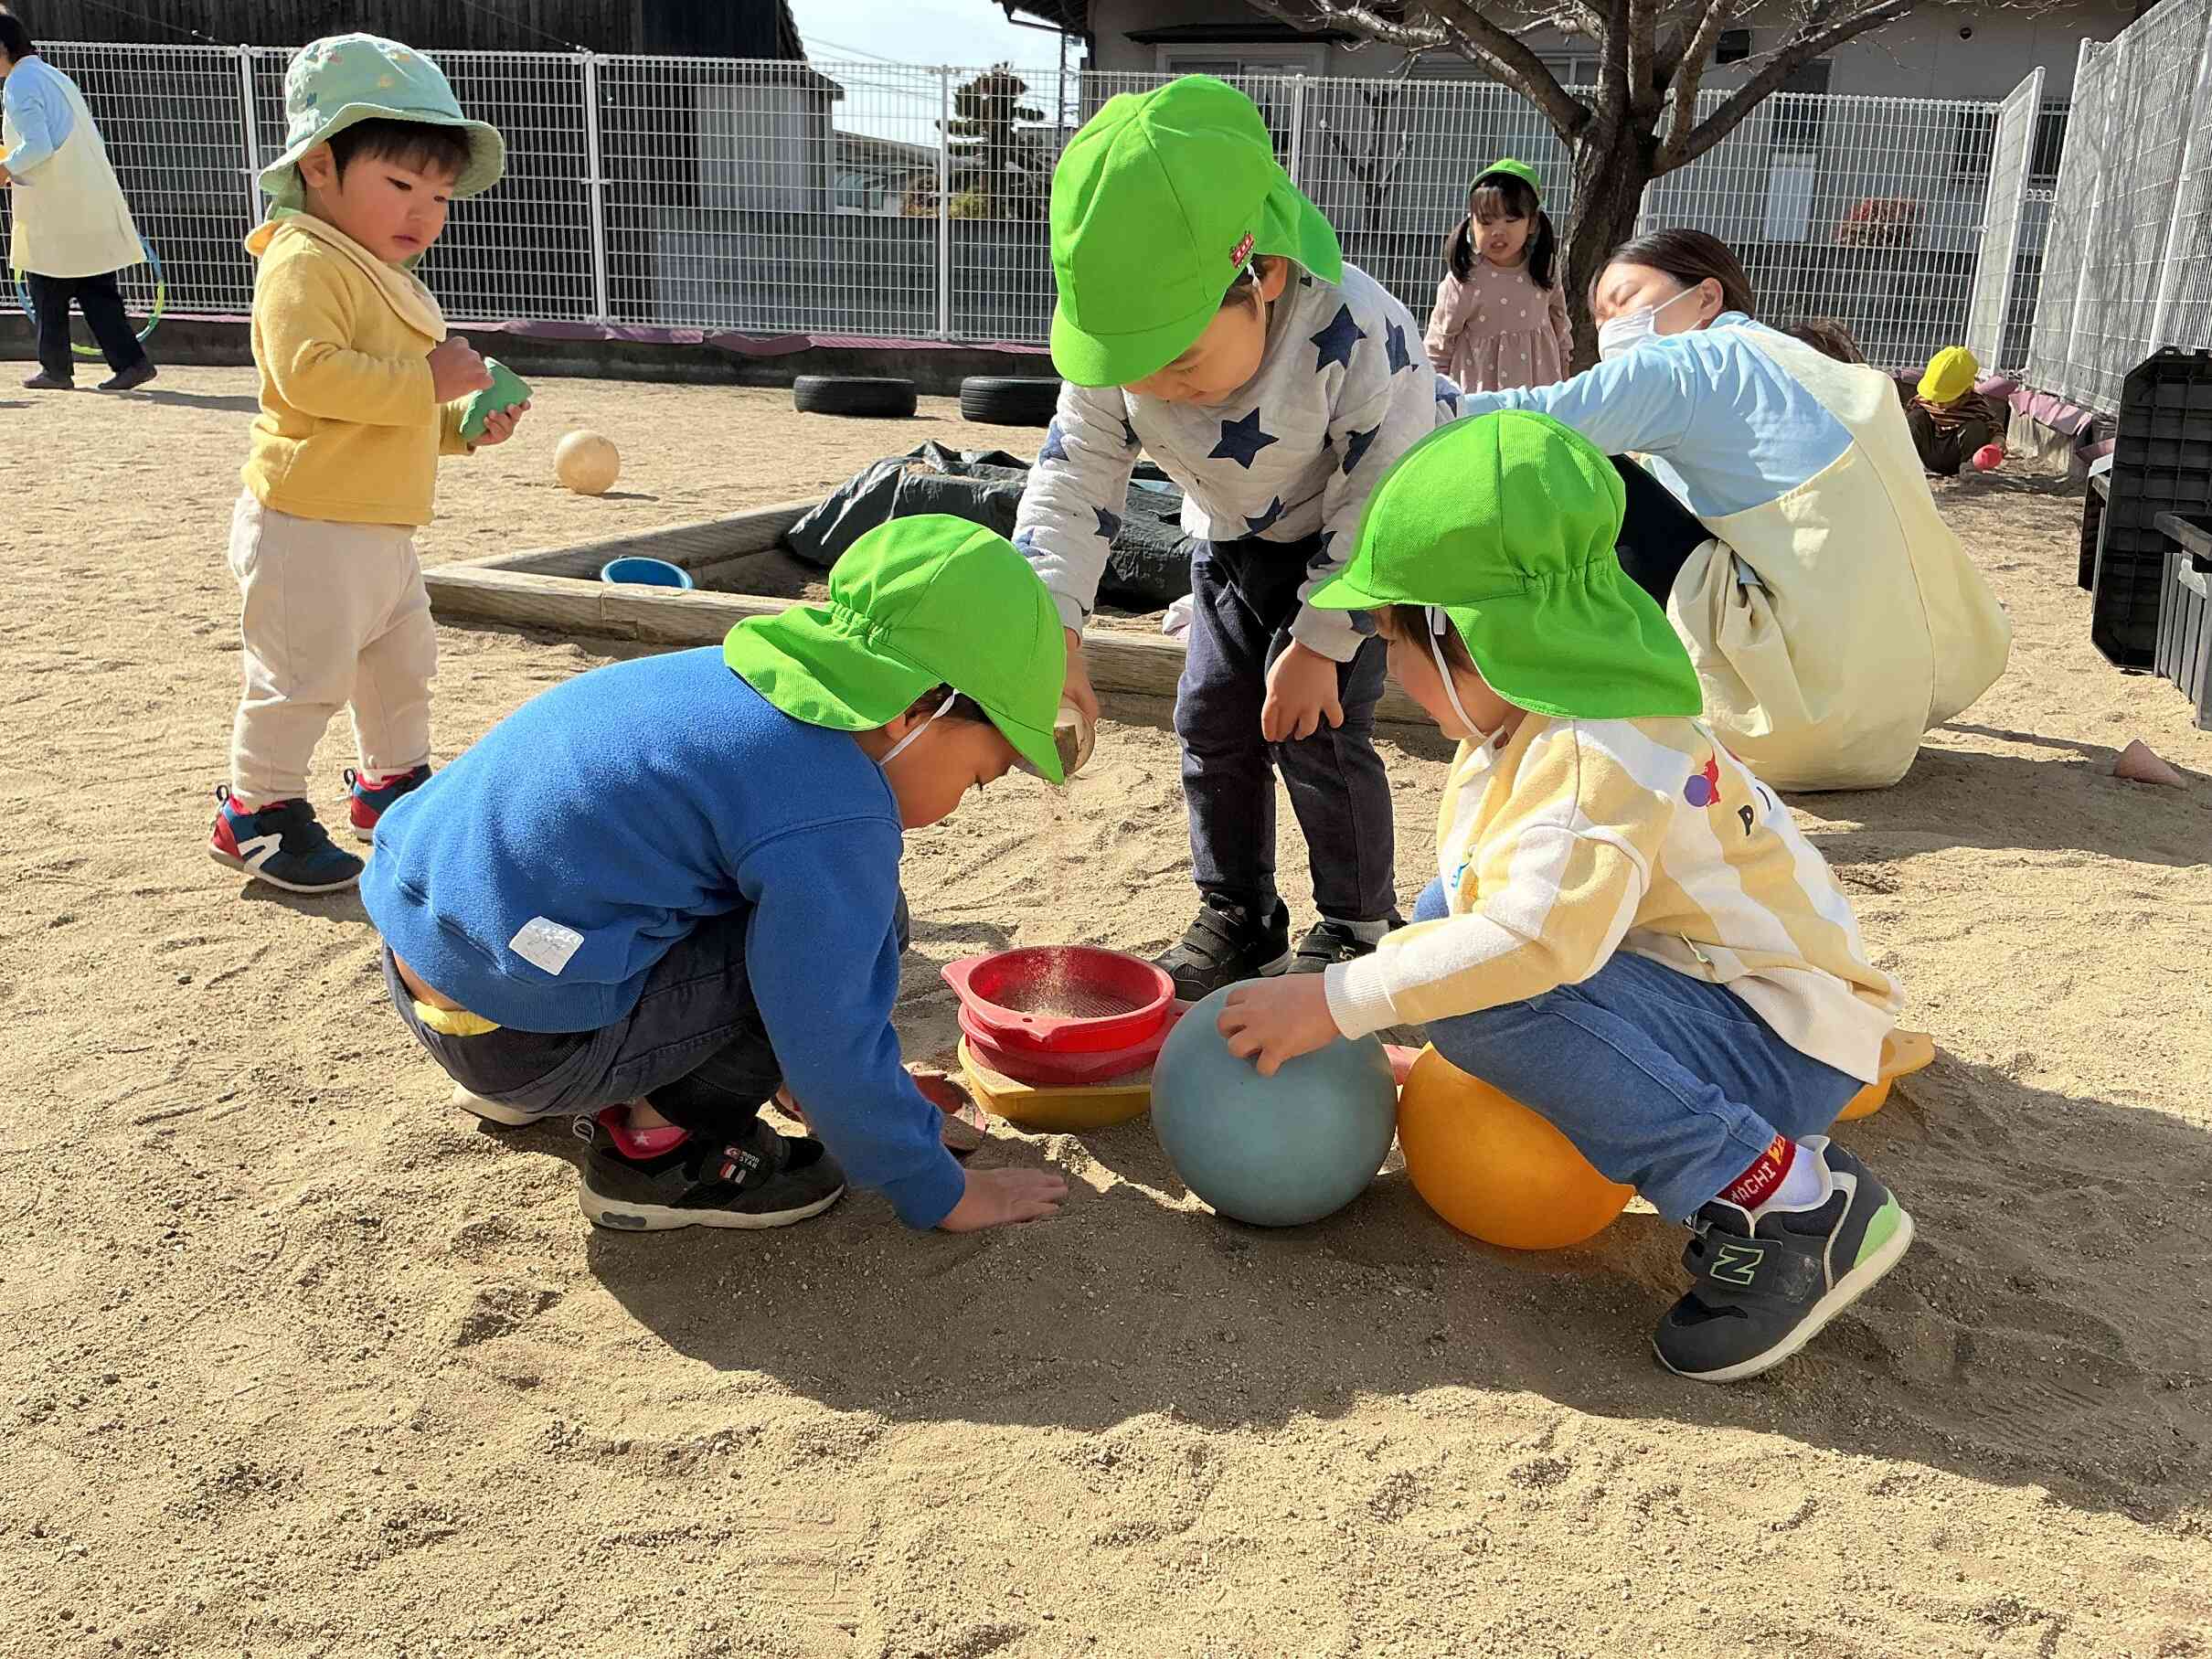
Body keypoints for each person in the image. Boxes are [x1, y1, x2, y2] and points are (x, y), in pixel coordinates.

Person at [1218, 410, 1911, 1383]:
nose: (1386, 666)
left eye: (1388, 636)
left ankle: (1782, 1201)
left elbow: (1531, 944)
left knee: (1490, 988)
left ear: (1461, 630)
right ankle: (1692, 1123)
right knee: (1439, 922)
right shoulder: (1547, 713)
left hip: (1776, 1037)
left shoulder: (1596, 751)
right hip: (1734, 997)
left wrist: (1337, 1001)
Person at [361, 516, 1074, 1237]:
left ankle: (531, 1076)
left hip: (424, 952)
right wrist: (940, 1188)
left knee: (738, 891)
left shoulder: (735, 674)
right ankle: (658, 1154)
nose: (959, 804)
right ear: (917, 710)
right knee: (865, 924)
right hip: (524, 1041)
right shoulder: (839, 811)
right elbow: (829, 1032)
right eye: (980, 775)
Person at [1014, 75, 1441, 998]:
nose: (1157, 387)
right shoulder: (1121, 351)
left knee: (1318, 732)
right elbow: (1073, 474)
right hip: (1227, 550)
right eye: (1132, 367)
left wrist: (1323, 642)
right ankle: (1238, 911)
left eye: (1181, 360)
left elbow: (1387, 497)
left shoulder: (1359, 329)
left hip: (1351, 553)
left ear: (1264, 277)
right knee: (1211, 722)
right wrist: (1052, 633)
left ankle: (1359, 924)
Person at [1443, 228, 2011, 792]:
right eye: (1600, 319)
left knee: (1572, 461)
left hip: (1786, 722)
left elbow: (1525, 418)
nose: (1613, 328)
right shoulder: (1820, 368)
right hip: (1889, 722)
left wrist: (1406, 395)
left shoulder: (1691, 361)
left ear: (1706, 298)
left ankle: (1554, 688)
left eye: (1625, 301)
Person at [207, 34, 523, 896]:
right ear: (318, 165)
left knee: (399, 660)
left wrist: (461, 425)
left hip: (377, 524)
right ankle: (256, 812)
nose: (422, 211)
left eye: (441, 194)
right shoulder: (302, 259)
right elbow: (307, 377)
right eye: (399, 184)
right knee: (302, 675)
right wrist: (426, 378)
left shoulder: (379, 270)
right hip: (309, 519)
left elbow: (391, 410)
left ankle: (392, 785)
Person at [0, 11, 155, 392]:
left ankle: (57, 369)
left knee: (48, 283)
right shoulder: (54, 76)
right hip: (85, 198)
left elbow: (39, 145)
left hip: (57, 207)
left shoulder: (20, 84)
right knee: (90, 287)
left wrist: (5, 168)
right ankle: (128, 362)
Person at [1423, 158, 1571, 393]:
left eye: (1511, 220)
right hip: (1480, 402)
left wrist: (1564, 382)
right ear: (1471, 223)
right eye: (1486, 221)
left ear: (1532, 223)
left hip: (1540, 395)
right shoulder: (1463, 281)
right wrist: (1435, 397)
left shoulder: (1545, 268)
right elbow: (1438, 349)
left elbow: (1560, 327)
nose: (1498, 231)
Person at [1906, 346, 2005, 476]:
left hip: (1957, 458)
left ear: (1966, 393)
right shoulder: (1923, 401)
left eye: (1945, 398)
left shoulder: (1976, 405)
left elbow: (1995, 428)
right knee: (1914, 417)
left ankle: (1970, 470)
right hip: (1926, 453)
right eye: (1934, 397)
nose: (1938, 403)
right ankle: (1908, 463)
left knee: (1976, 427)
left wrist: (1997, 445)